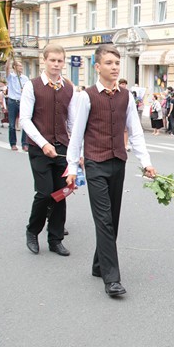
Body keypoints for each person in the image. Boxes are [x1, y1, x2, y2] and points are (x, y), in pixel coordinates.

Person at [66, 44, 156, 297]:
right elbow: (77, 134)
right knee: (104, 220)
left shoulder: (126, 96)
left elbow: (135, 131)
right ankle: (112, 279)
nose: (114, 67)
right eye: (108, 63)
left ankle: (98, 265)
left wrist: (145, 162)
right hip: (94, 162)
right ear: (97, 67)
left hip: (118, 161)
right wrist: (72, 166)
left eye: (117, 63)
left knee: (112, 220)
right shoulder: (86, 96)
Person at [19, 44, 74, 257]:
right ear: (45, 61)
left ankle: (55, 239)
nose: (56, 65)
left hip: (62, 147)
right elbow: (25, 119)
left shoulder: (68, 88)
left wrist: (75, 149)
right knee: (44, 193)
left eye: (60, 61)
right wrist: (43, 143)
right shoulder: (32, 86)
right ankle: (32, 231)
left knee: (61, 194)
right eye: (53, 60)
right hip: (39, 148)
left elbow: (71, 120)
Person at [5, 57, 31, 151]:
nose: (21, 67)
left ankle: (25, 143)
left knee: (25, 123)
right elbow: (7, 69)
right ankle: (13, 143)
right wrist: (8, 60)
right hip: (12, 101)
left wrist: (24, 90)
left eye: (21, 66)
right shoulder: (11, 77)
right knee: (12, 124)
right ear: (14, 67)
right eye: (19, 66)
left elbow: (29, 89)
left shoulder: (25, 78)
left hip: (22, 101)